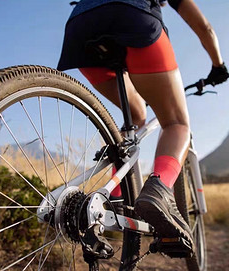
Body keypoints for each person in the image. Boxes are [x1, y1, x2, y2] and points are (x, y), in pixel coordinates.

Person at [57, 0, 229, 252]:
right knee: (175, 122)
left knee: (137, 117)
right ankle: (158, 190)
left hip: (79, 27)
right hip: (134, 19)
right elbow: (205, 28)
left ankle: (115, 195)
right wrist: (218, 65)